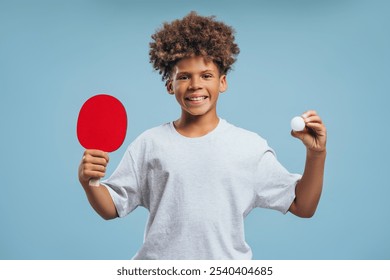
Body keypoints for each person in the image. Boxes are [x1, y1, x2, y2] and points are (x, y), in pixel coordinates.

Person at [78, 11, 327, 259]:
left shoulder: (249, 147)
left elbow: (302, 206)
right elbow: (111, 207)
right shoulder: (149, 144)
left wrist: (316, 154)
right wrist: (90, 182)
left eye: (206, 76)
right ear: (169, 85)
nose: (195, 84)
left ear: (222, 82)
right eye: (184, 77)